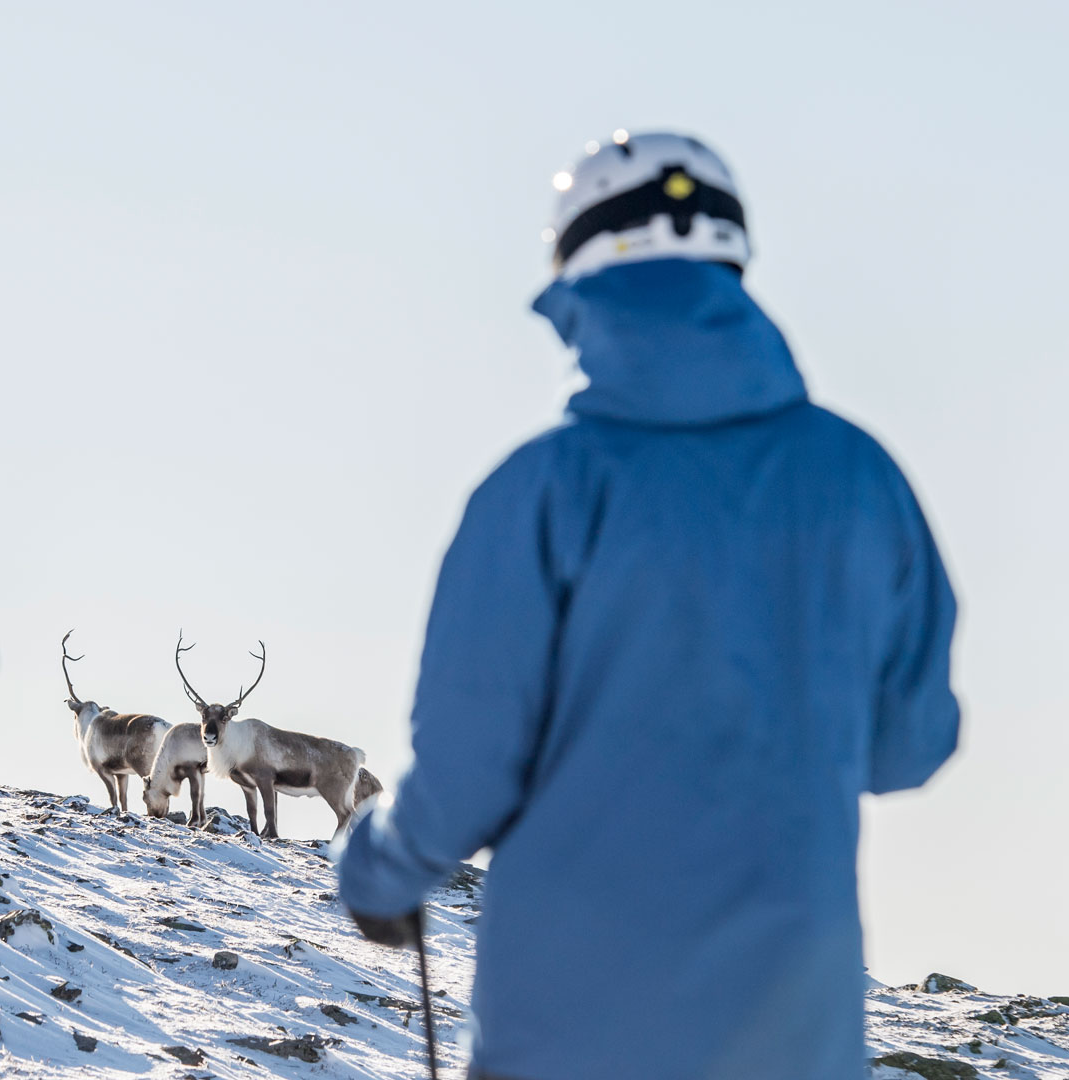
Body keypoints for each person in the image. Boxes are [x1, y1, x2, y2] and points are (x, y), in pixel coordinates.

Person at [336, 132, 959, 1080]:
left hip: (569, 1036)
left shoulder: (538, 492)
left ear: (577, 280)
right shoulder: (863, 480)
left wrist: (380, 870)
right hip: (798, 1036)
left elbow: (469, 767)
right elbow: (911, 744)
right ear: (733, 261)